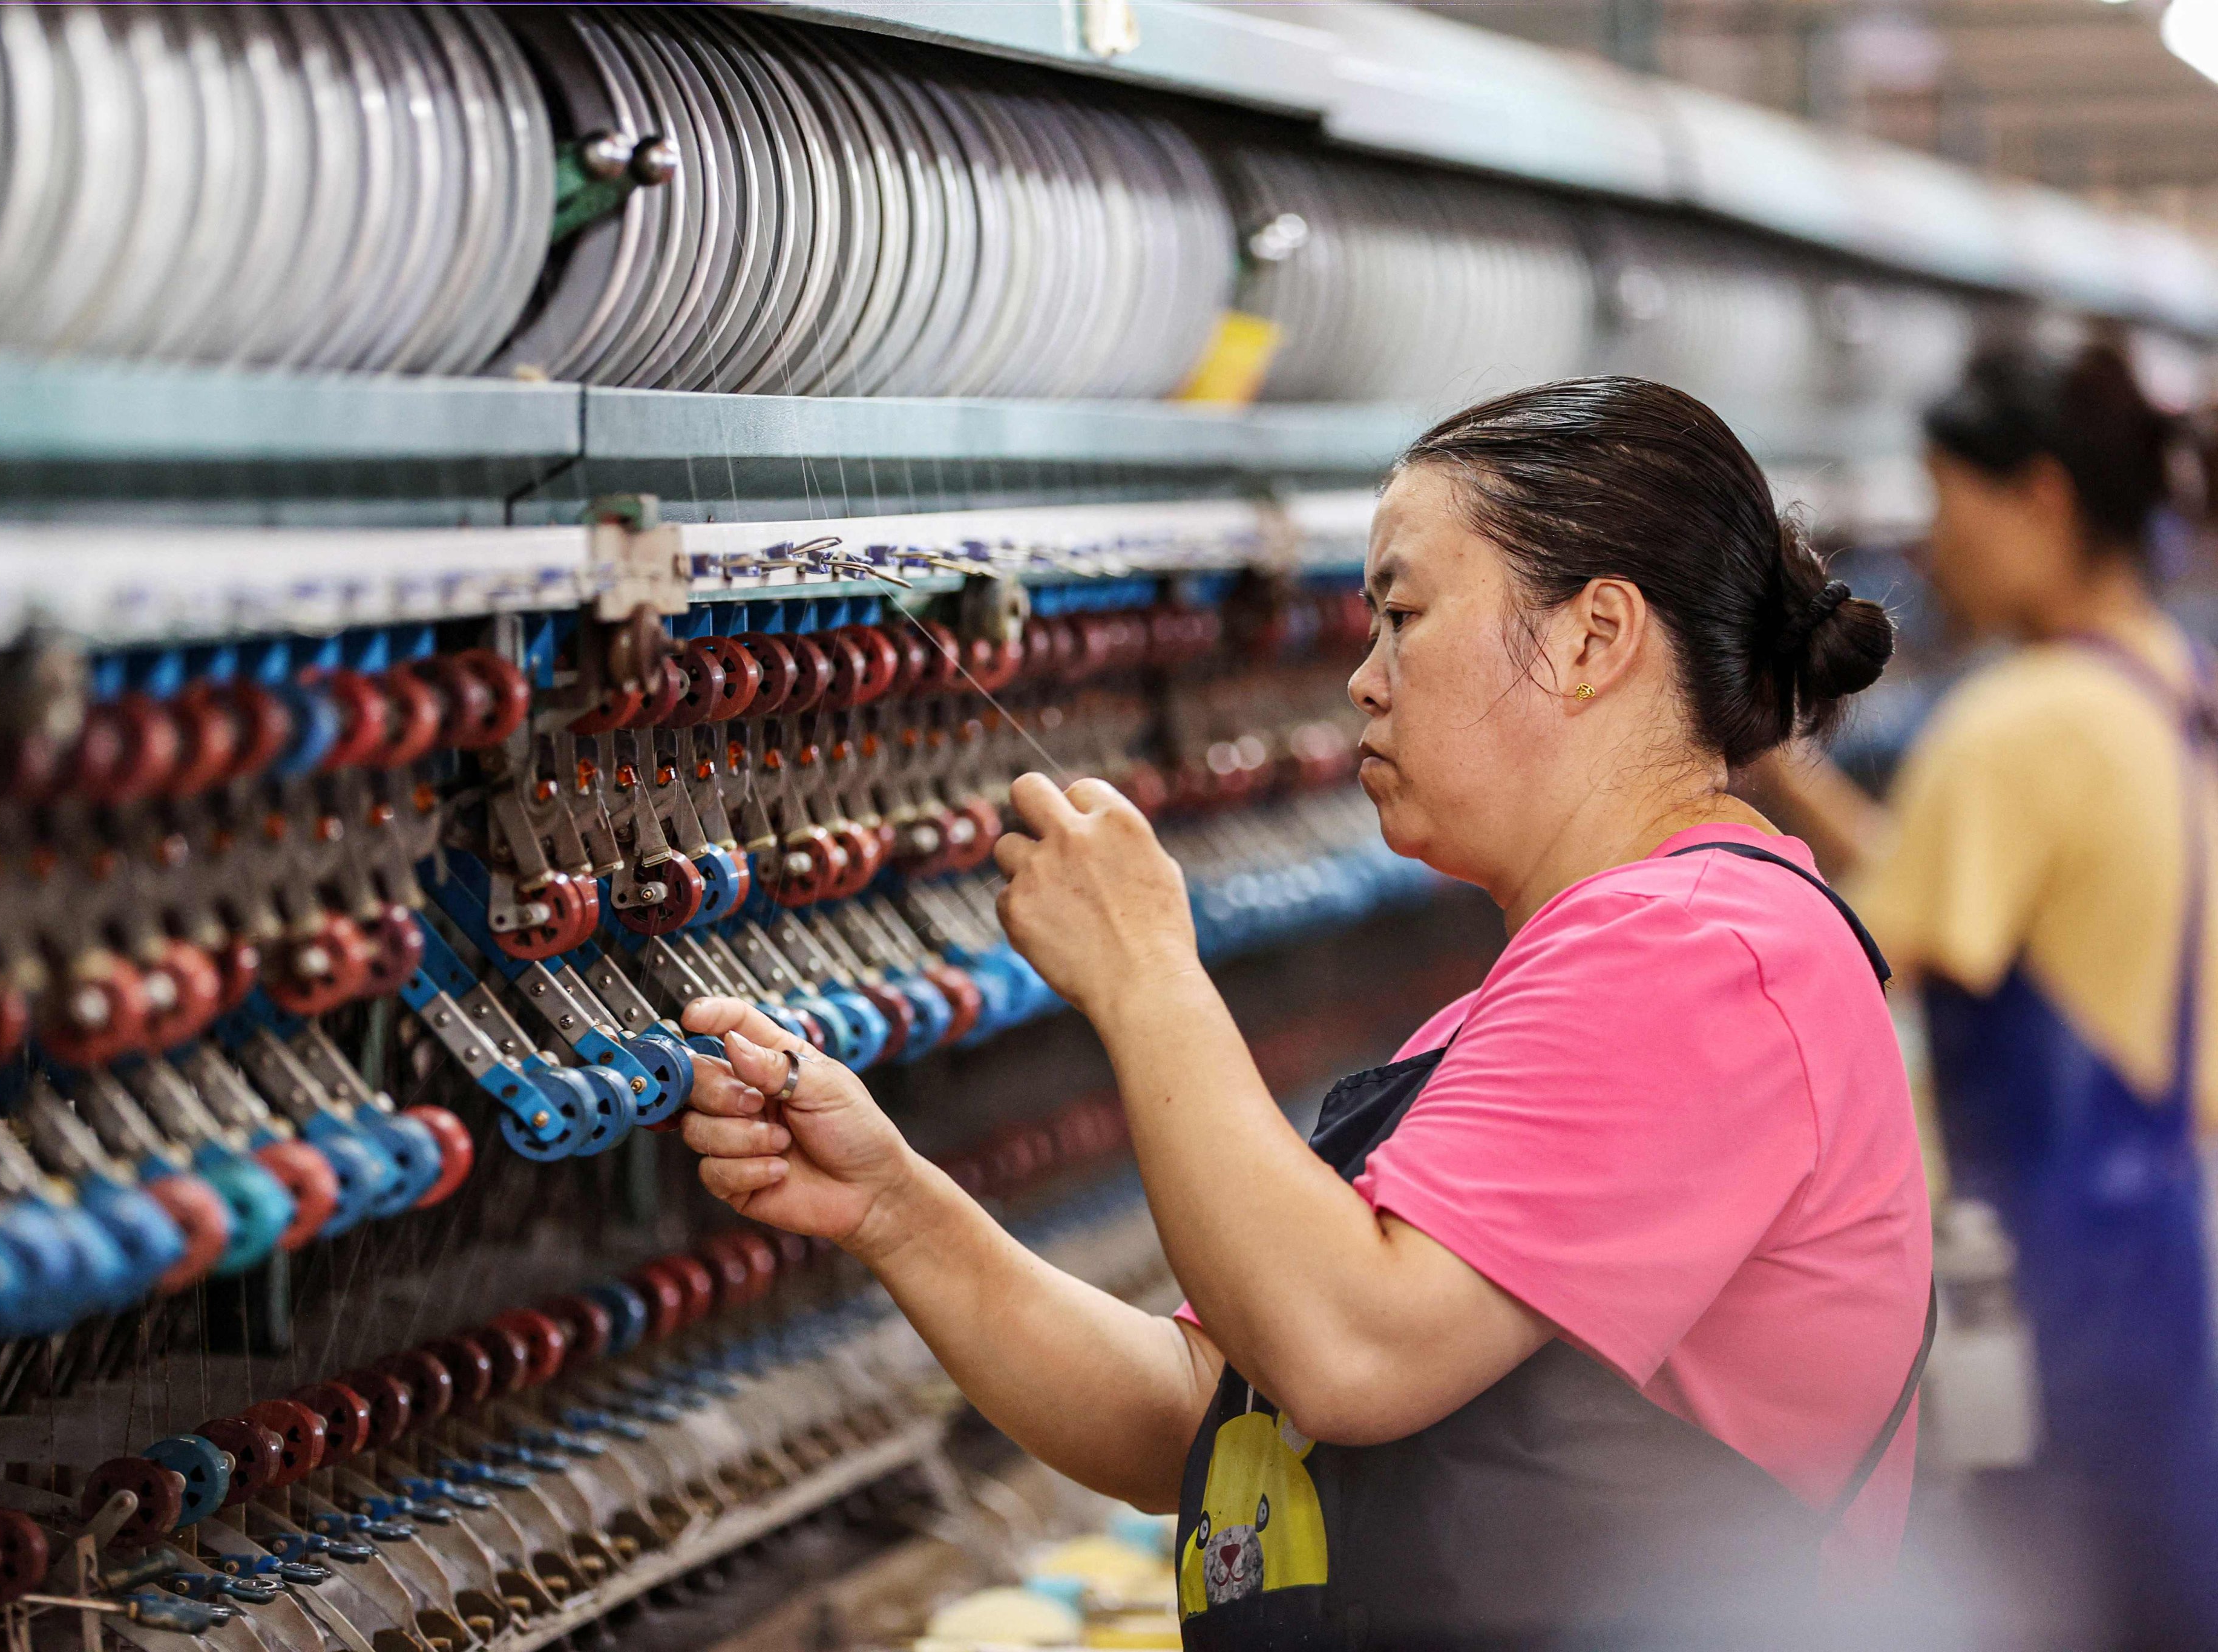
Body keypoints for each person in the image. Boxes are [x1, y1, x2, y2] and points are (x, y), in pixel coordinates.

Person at [679, 378, 1933, 1647]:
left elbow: (1348, 1356)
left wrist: (1143, 971)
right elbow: (1207, 1415)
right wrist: (895, 1209)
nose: (1364, 682)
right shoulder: (1568, 981)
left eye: (1401, 615)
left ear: (1590, 638)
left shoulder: (1695, 954)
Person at [1760, 338, 2218, 1643]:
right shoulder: (2160, 682)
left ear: (2038, 498)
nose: (1930, 544)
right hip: (2162, 1247)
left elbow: (1848, 957)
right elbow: (1953, 889)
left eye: (1943, 496)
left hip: (2042, 1286)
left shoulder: (2017, 724)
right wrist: (1783, 773)